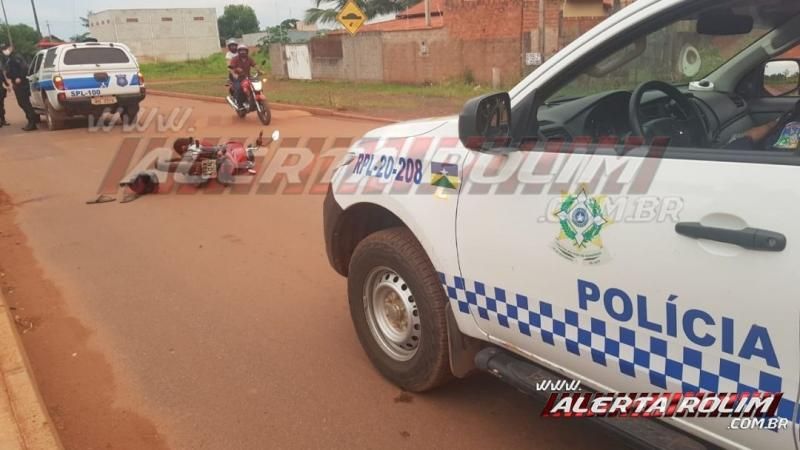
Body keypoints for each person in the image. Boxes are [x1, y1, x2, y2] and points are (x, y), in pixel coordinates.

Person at [2, 45, 37, 131]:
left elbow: (24, 68)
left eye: (6, 49)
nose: (4, 51)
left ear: (11, 48)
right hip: (16, 83)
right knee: (22, 103)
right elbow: (9, 71)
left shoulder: (16, 58)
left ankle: (32, 122)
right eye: (3, 49)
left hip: (22, 83)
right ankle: (31, 121)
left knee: (25, 103)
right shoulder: (10, 59)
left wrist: (20, 77)